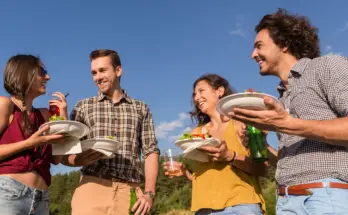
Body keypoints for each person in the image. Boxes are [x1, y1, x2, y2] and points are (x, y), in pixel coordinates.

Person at [229, 9, 348, 214]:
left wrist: (288, 124)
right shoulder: (281, 98)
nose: (253, 55)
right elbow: (290, 159)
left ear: (284, 44)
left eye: (259, 46)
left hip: (325, 198)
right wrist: (264, 146)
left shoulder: (326, 66)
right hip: (285, 201)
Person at [61, 49, 160, 215]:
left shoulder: (141, 108)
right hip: (92, 187)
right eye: (93, 73)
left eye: (102, 70)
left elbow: (151, 151)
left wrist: (149, 193)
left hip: (130, 192)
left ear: (118, 70)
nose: (97, 77)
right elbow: (65, 153)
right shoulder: (83, 106)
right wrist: (78, 160)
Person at [164, 74, 267, 215]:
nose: (196, 98)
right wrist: (185, 173)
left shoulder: (241, 125)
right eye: (194, 94)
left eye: (201, 91)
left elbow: (262, 169)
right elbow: (206, 177)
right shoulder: (196, 134)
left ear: (220, 91)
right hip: (203, 209)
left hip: (240, 206)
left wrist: (230, 156)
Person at [0, 54, 68, 215]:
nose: (48, 77)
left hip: (42, 199)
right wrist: (29, 143)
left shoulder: (44, 115)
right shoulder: (5, 105)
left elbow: (57, 160)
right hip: (9, 195)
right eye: (42, 71)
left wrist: (64, 121)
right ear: (25, 73)